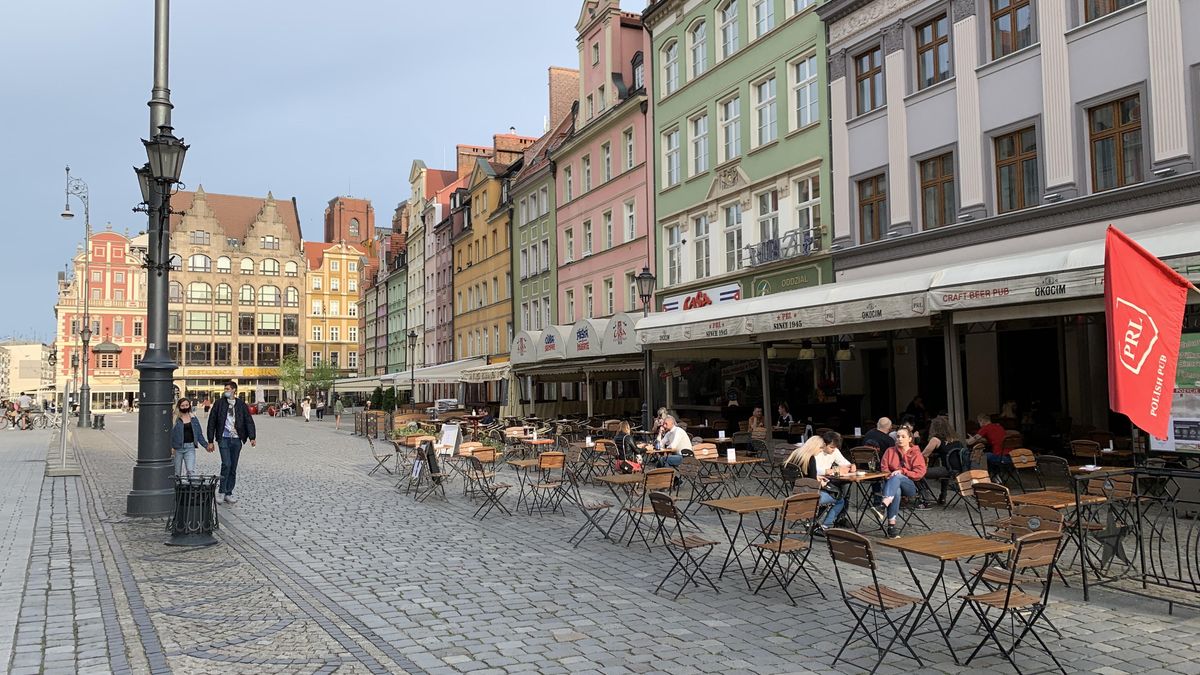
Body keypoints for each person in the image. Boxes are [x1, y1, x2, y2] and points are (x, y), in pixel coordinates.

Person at [784, 431, 851, 532]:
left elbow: (805, 475)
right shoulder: (810, 459)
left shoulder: (796, 455)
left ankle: (812, 521)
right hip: (810, 496)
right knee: (839, 499)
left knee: (832, 493)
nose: (821, 450)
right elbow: (813, 484)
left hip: (796, 493)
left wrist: (816, 477)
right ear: (814, 447)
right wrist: (821, 482)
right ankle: (825, 526)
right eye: (820, 448)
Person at [206, 381, 256, 505]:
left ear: (234, 390)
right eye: (225, 389)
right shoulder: (219, 404)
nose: (225, 390)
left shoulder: (241, 405)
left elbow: (248, 421)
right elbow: (211, 421)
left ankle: (229, 492)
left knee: (233, 466)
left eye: (228, 388)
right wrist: (210, 440)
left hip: (236, 439)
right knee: (226, 464)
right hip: (223, 438)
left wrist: (252, 437)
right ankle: (222, 491)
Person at [878, 424, 927, 538]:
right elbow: (884, 469)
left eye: (903, 437)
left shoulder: (915, 453)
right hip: (892, 486)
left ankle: (883, 505)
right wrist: (891, 476)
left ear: (910, 439)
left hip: (910, 487)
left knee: (898, 476)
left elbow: (919, 474)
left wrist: (902, 471)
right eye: (898, 436)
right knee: (897, 491)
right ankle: (891, 527)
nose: (899, 439)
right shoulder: (890, 451)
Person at [922, 416, 966, 504]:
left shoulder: (935, 440)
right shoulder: (955, 439)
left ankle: (924, 498)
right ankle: (942, 496)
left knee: (919, 473)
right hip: (959, 469)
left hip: (948, 470)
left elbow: (923, 455)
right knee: (944, 468)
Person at [170, 398, 207, 481]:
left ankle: (190, 491)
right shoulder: (174, 418)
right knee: (176, 473)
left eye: (186, 405)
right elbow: (169, 434)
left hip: (190, 447)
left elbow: (199, 433)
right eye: (182, 406)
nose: (185, 407)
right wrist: (171, 447)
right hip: (177, 448)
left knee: (190, 471)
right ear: (179, 406)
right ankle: (176, 491)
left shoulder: (193, 418)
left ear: (189, 405)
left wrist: (206, 445)